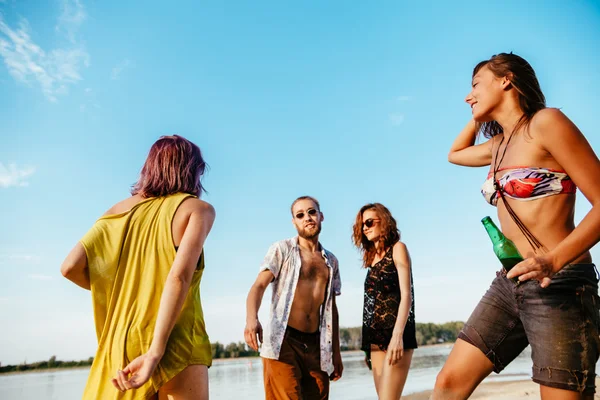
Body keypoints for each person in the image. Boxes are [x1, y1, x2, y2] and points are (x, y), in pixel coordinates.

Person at [433, 52, 600, 399]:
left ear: (506, 79)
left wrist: (553, 260)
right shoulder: (497, 145)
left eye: (476, 84)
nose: (468, 95)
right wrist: (479, 114)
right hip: (510, 282)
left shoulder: (546, 123)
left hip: (561, 282)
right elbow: (454, 153)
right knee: (448, 385)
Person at [60, 135, 215, 400]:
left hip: (122, 344)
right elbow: (178, 277)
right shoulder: (196, 209)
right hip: (176, 338)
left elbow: (69, 267)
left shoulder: (115, 213)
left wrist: (125, 295)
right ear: (191, 170)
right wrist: (156, 351)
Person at [244, 196, 343, 400]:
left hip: (317, 344)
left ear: (321, 216)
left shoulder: (331, 261)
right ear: (294, 222)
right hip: (283, 343)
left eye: (311, 212)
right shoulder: (282, 250)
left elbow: (331, 309)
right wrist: (251, 319)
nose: (307, 217)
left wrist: (336, 353)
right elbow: (258, 286)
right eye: (300, 215)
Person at [352, 203, 417, 400]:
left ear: (384, 222)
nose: (365, 228)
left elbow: (407, 295)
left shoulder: (398, 249)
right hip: (374, 338)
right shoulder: (371, 259)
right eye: (362, 225)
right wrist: (367, 349)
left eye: (370, 222)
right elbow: (371, 306)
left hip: (396, 333)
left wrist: (397, 336)